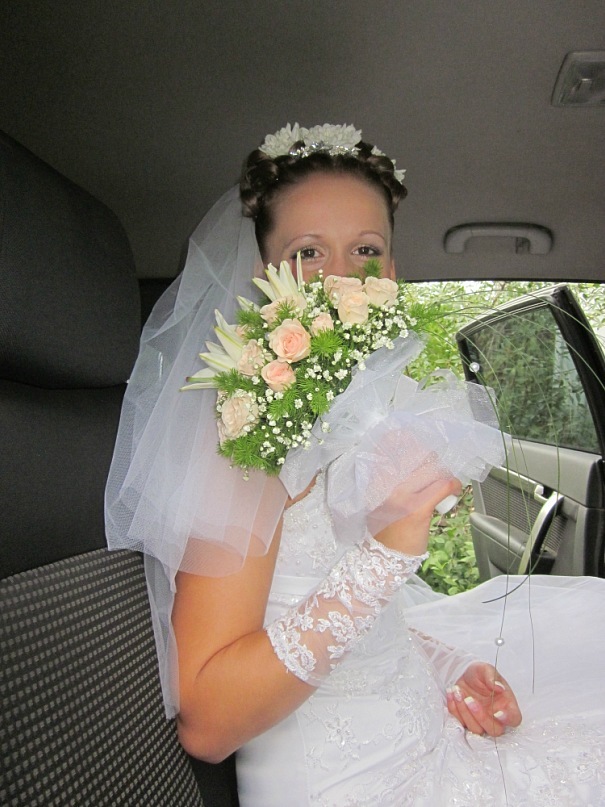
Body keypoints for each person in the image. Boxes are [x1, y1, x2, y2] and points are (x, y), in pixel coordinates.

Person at [106, 123, 605, 806]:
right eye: (308, 252)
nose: (340, 277)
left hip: (422, 731)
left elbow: (365, 623)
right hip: (351, 782)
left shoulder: (339, 411)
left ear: (391, 274)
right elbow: (208, 721)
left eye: (365, 250)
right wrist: (388, 551)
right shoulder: (246, 432)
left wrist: (448, 667)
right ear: (263, 276)